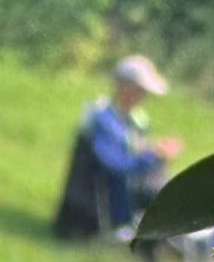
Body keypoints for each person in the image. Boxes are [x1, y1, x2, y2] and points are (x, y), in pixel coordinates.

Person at [53, 55, 183, 240]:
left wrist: (156, 150)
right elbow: (115, 165)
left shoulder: (134, 120)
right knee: (166, 195)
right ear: (125, 86)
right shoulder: (103, 119)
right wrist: (154, 155)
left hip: (129, 185)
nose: (143, 97)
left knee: (174, 189)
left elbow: (134, 149)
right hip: (108, 194)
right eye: (140, 91)